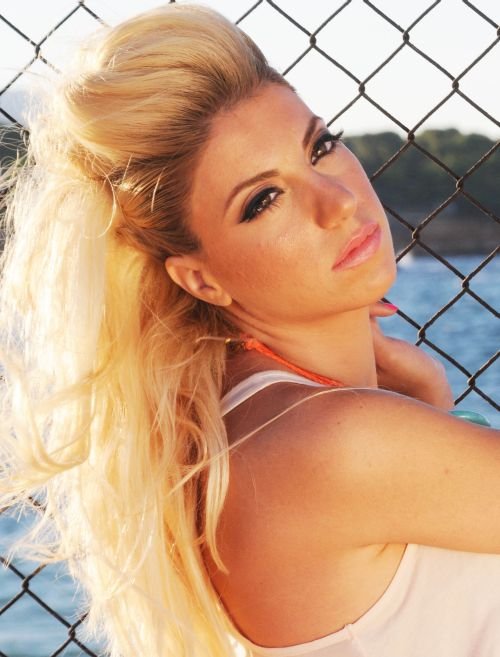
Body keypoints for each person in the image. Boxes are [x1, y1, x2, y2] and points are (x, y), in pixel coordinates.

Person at [0, 4, 498, 657]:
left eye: (319, 147)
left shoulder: (254, 425)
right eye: (264, 200)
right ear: (201, 279)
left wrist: (429, 406)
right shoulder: (333, 443)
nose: (339, 201)